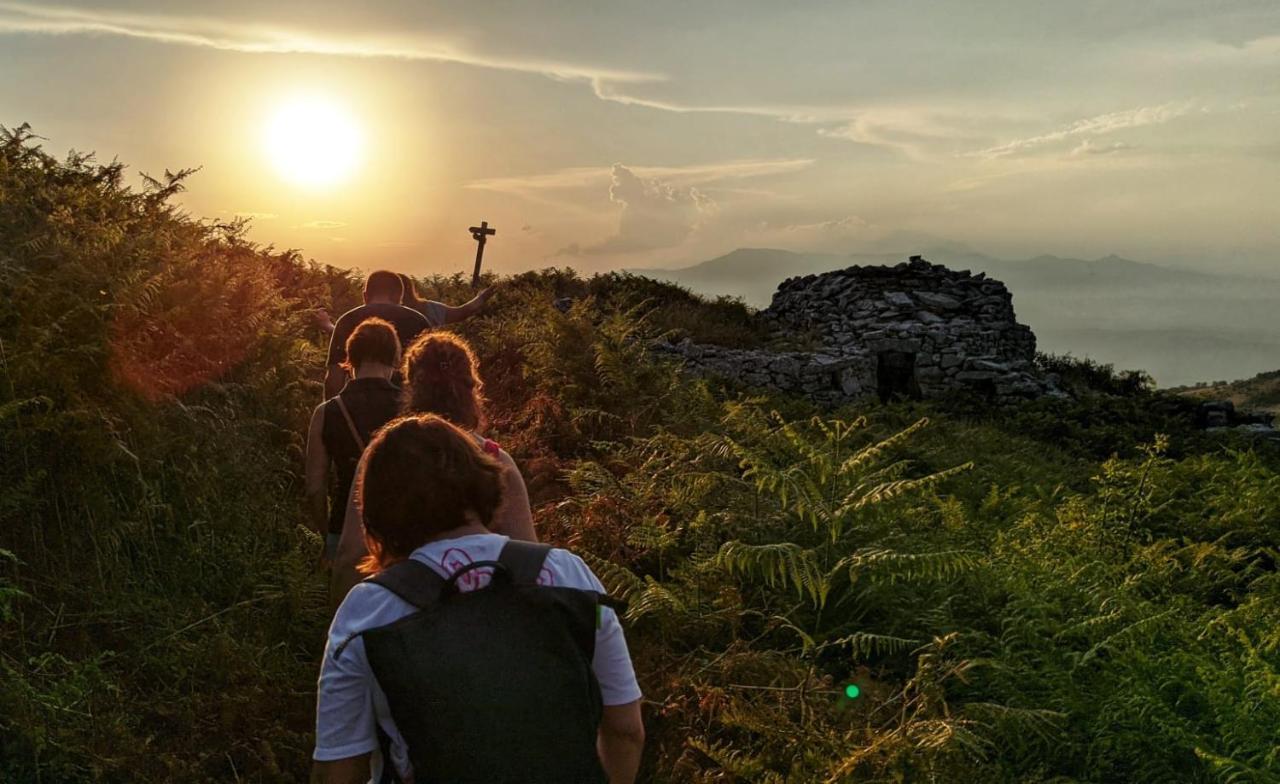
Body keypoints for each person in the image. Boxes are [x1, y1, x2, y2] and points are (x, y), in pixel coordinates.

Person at [311, 415, 644, 784]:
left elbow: (337, 772)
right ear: (483, 481)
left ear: (377, 513)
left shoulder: (367, 613)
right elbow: (626, 730)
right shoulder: (569, 576)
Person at [330, 332, 536, 598]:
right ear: (471, 388)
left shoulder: (384, 455)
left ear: (411, 386)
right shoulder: (494, 459)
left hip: (404, 619)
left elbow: (350, 556)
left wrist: (340, 625)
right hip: (486, 622)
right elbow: (527, 561)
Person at [305, 319, 403, 563]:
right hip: (403, 532)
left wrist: (326, 533)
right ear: (394, 357)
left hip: (345, 529)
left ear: (350, 358)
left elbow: (315, 488)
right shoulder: (412, 407)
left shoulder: (327, 411)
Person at [324, 271, 429, 399]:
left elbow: (334, 379)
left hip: (358, 406)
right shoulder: (418, 321)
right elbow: (430, 375)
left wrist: (334, 411)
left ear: (365, 296)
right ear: (398, 297)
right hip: (405, 407)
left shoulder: (347, 320)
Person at [398, 272, 495, 328]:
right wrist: (481, 298)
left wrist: (481, 298)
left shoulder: (384, 312)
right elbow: (461, 313)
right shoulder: (431, 309)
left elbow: (460, 313)